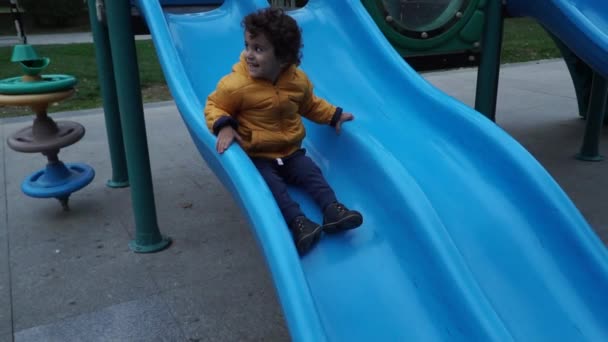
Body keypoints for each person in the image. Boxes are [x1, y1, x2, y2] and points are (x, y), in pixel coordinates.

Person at [204, 8, 362, 255]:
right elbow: (215, 105)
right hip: (258, 154)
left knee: (313, 175)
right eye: (247, 46)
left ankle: (333, 209)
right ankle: (299, 223)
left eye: (258, 49)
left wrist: (333, 116)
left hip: (290, 151)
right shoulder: (236, 85)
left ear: (283, 58)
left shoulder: (297, 80)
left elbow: (310, 105)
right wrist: (224, 125)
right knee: (272, 187)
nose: (249, 55)